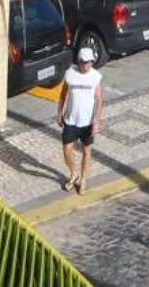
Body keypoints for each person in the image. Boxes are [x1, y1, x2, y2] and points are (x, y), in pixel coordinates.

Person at [58, 44, 103, 194]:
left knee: (86, 151)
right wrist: (59, 113)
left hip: (87, 122)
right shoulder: (70, 74)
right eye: (84, 62)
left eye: (89, 62)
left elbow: (99, 100)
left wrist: (97, 122)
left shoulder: (95, 77)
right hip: (71, 120)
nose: (87, 65)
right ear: (79, 61)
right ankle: (74, 173)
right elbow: (63, 94)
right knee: (66, 149)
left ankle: (83, 180)